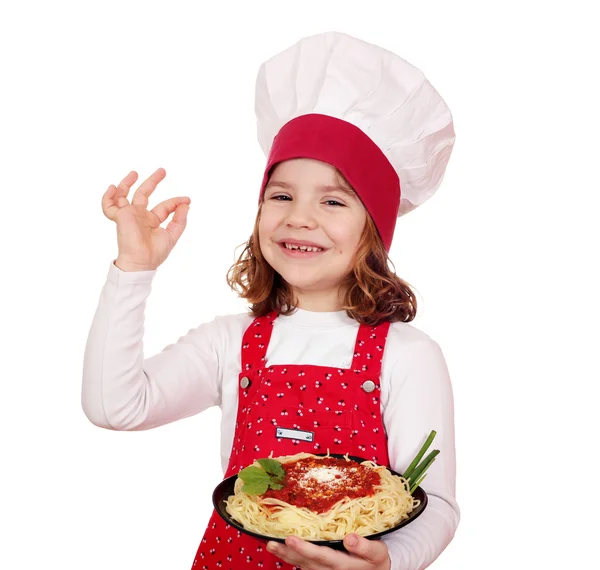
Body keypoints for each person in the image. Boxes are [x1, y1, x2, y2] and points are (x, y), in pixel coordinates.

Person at [82, 31, 460, 570]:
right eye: (280, 195)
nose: (299, 216)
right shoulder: (229, 341)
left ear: (373, 229)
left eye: (332, 199)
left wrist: (387, 561)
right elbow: (114, 406)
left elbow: (436, 504)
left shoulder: (408, 354)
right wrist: (134, 270)